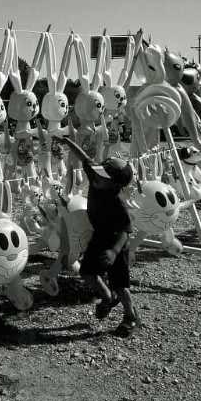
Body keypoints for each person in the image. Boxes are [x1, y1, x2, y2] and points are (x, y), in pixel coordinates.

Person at [54, 135, 140, 337]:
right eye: (98, 172)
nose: (95, 176)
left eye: (102, 177)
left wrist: (113, 251)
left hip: (116, 245)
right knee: (87, 273)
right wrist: (67, 142)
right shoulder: (96, 179)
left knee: (121, 285)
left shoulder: (118, 203)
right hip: (99, 237)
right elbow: (84, 158)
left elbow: (126, 231)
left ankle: (130, 316)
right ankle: (107, 297)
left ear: (115, 185)